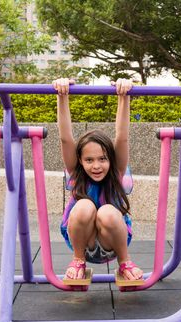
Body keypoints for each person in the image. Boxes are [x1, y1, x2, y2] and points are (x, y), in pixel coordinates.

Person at [52, 77, 143, 282]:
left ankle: (125, 263)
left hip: (112, 241)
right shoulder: (76, 174)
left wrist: (123, 96)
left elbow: (122, 137)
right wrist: (62, 95)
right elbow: (66, 137)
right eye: (89, 160)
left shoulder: (116, 174)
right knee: (84, 205)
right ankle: (77, 261)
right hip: (83, 243)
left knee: (108, 211)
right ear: (80, 161)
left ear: (111, 159)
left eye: (103, 159)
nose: (96, 166)